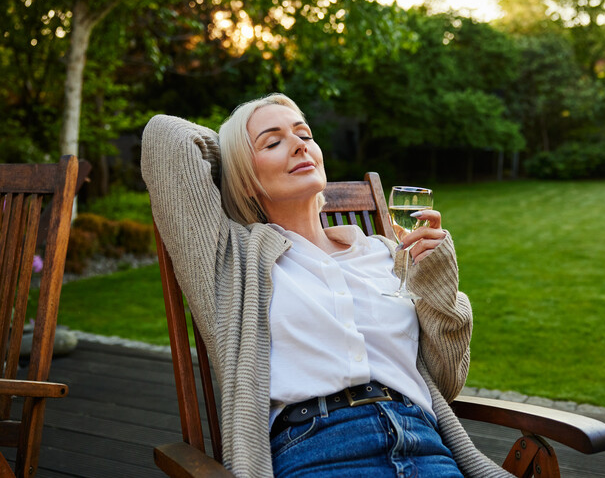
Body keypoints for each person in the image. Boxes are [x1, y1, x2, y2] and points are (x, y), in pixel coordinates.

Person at [141, 94, 510, 477]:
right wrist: (234, 160)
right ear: (245, 181)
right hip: (318, 452)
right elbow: (165, 137)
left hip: (426, 447)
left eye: (305, 135)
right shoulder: (234, 259)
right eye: (274, 141)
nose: (301, 145)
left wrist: (436, 282)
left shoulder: (386, 254)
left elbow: (446, 381)